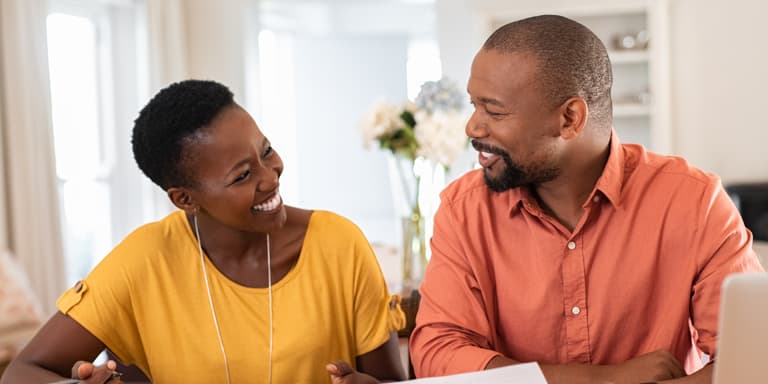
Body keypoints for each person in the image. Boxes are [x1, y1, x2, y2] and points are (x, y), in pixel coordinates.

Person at [409, 15, 764, 384]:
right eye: (474, 105)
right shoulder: (464, 210)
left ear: (570, 118)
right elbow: (438, 352)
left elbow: (751, 359)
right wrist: (606, 379)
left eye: (494, 111)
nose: (473, 127)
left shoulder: (694, 202)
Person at [0, 80, 406, 384]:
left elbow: (392, 383)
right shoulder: (144, 260)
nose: (271, 177)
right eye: (243, 175)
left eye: (265, 151)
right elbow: (22, 371)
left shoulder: (339, 244)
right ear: (184, 199)